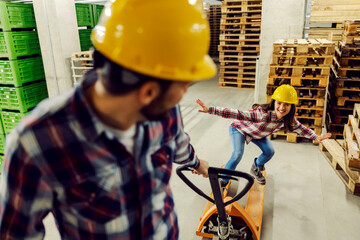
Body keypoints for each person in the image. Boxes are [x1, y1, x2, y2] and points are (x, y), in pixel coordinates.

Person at [0, 0, 216, 239]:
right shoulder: (36, 143)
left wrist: (197, 163)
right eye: (185, 83)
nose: (185, 92)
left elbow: (177, 142)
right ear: (149, 92)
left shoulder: (165, 112)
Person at [196, 84, 331, 185]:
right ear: (274, 103)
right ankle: (224, 180)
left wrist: (315, 137)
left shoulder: (288, 119)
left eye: (287, 105)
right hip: (240, 129)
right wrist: (211, 110)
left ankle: (256, 167)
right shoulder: (262, 115)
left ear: (292, 107)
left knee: (269, 151)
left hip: (257, 134)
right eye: (279, 103)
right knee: (237, 154)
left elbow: (301, 128)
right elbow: (237, 113)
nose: (282, 108)